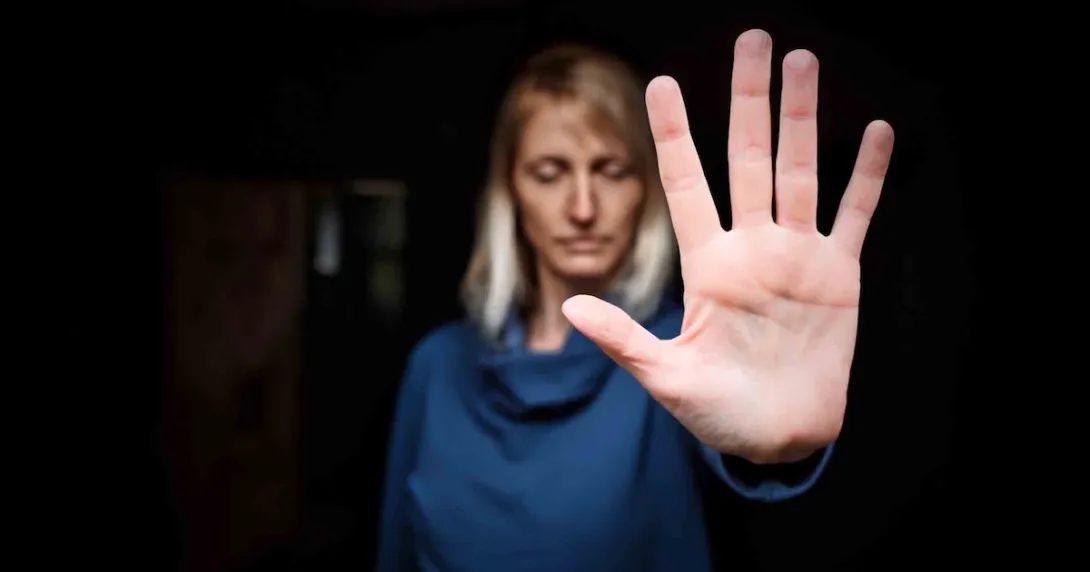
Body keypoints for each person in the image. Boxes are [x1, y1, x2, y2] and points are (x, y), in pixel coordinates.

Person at [377, 28, 895, 572]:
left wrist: (779, 452)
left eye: (612, 171)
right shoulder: (436, 366)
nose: (582, 207)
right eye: (549, 173)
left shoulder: (692, 351)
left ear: (646, 187)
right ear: (510, 192)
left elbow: (768, 513)